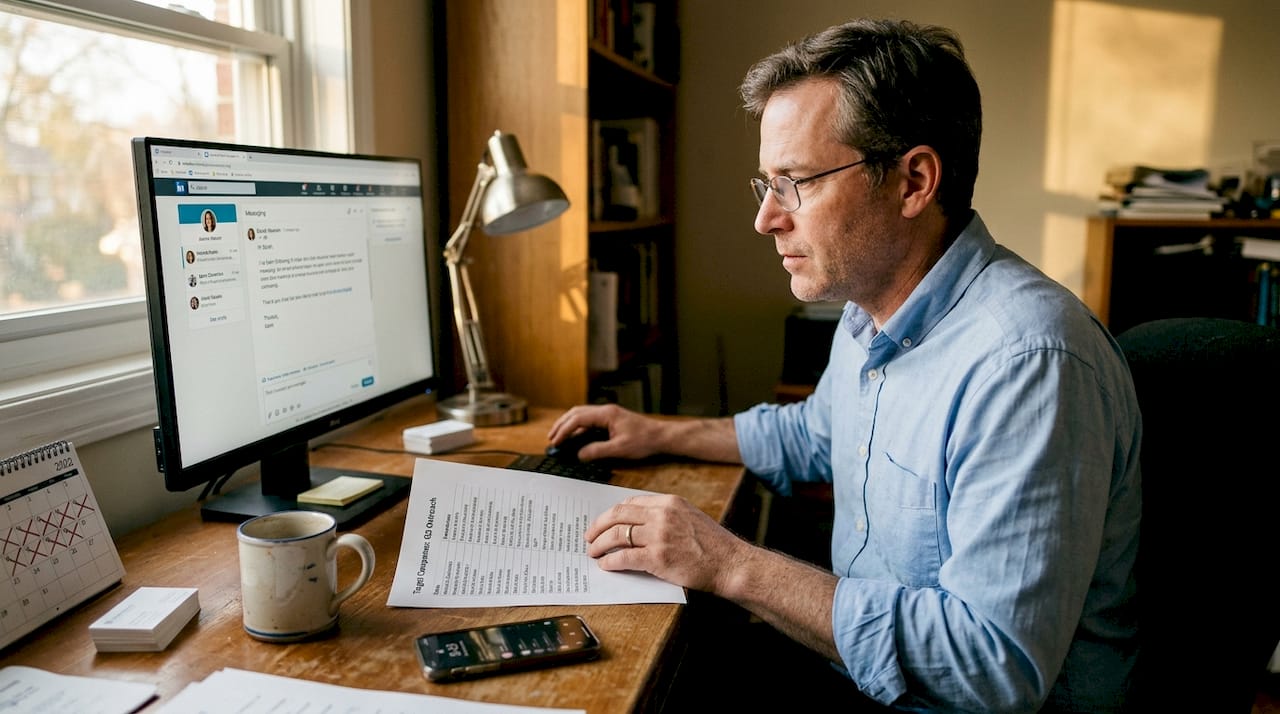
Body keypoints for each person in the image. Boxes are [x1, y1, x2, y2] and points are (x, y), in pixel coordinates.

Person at [550, 18, 1141, 713]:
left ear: (914, 181)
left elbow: (990, 667)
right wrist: (656, 431)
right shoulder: (871, 312)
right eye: (765, 184)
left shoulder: (1029, 365)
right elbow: (816, 434)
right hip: (860, 672)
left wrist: (729, 562)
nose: (766, 218)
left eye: (794, 182)